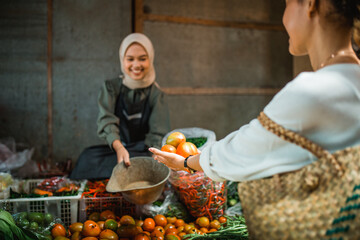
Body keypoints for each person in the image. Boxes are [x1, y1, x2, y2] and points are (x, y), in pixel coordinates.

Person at [149, 0, 360, 183]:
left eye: (286, 5)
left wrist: (186, 162)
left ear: (310, 4)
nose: (284, 18)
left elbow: (242, 151)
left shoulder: (312, 91)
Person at [70, 33, 170, 180]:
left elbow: (158, 133)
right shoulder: (111, 88)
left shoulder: (156, 94)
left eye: (142, 59)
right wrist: (119, 147)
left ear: (151, 59)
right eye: (130, 59)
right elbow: (106, 120)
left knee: (146, 163)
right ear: (122, 59)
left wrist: (154, 159)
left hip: (143, 151)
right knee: (88, 158)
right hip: (118, 150)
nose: (136, 65)